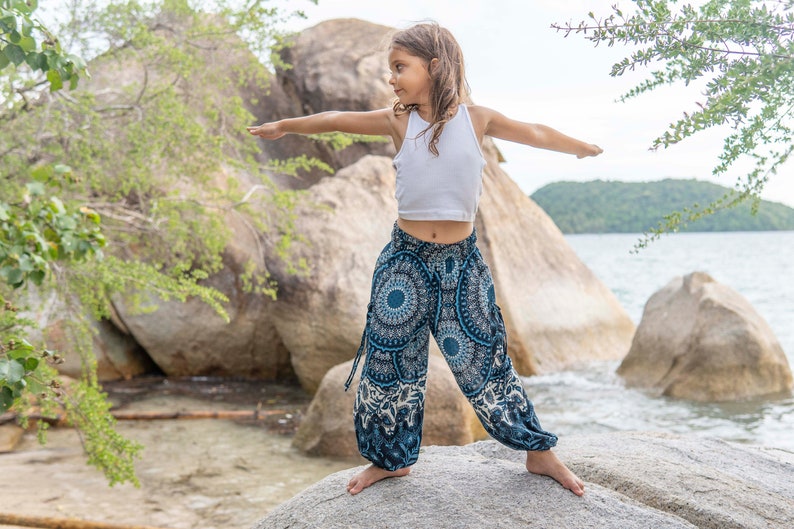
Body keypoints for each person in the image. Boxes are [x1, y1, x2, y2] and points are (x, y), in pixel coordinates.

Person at [247, 21, 601, 498]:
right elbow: (334, 119)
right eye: (391, 69)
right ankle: (390, 461)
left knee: (485, 358)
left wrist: (579, 147)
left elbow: (534, 132)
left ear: (434, 66)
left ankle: (537, 451)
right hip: (404, 261)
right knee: (391, 363)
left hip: (460, 262)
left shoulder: (477, 120)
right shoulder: (398, 120)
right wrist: (285, 126)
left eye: (400, 67)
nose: (392, 78)